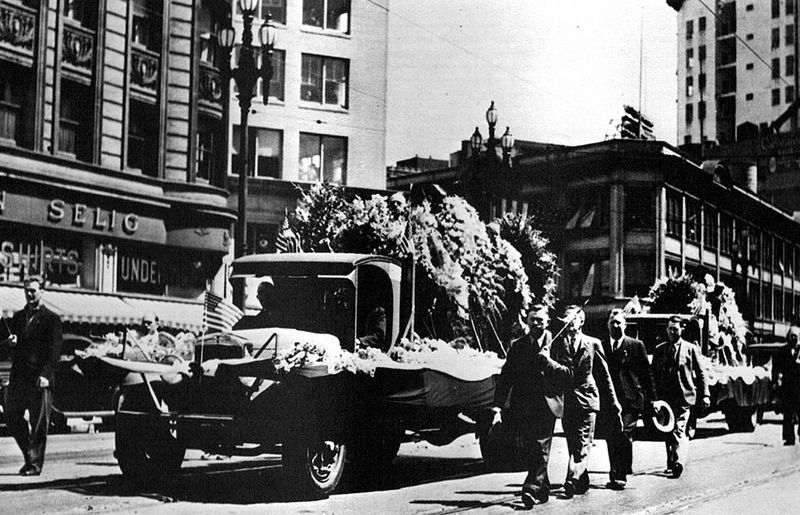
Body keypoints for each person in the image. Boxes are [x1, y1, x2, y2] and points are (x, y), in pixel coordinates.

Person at [492, 305, 564, 508]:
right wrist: (498, 405)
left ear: (547, 322)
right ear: (527, 321)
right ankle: (543, 488)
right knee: (531, 446)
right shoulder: (518, 346)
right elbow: (506, 376)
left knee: (540, 445)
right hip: (523, 405)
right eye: (532, 319)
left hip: (547, 404)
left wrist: (549, 362)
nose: (536, 324)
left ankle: (531, 488)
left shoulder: (557, 343)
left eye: (540, 320)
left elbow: (567, 372)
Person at [550, 304, 619, 498]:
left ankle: (572, 479)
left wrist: (613, 402)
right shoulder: (557, 344)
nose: (568, 323)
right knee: (573, 443)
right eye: (565, 320)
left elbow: (604, 376)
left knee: (583, 442)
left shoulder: (593, 343)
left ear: (581, 321)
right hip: (567, 401)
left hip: (588, 399)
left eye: (572, 319)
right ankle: (582, 480)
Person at [0, 275, 62, 476]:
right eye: (26, 290)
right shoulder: (18, 317)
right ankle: (30, 455)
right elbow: (10, 347)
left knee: (38, 423)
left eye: (33, 290)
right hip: (19, 377)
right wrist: (10, 343)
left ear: (42, 292)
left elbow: (55, 352)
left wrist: (46, 375)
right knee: (11, 416)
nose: (29, 294)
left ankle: (34, 464)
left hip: (39, 379)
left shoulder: (51, 319)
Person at [602, 308, 656, 490]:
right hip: (609, 400)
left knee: (625, 434)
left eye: (619, 322)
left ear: (625, 325)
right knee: (611, 436)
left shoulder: (636, 345)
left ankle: (622, 474)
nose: (616, 326)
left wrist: (652, 400)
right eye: (613, 323)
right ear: (608, 325)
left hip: (630, 401)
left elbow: (646, 375)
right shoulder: (602, 346)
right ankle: (614, 473)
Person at [652, 315, 710, 478]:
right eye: (670, 329)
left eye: (676, 329)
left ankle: (679, 462)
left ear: (682, 330)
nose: (672, 332)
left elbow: (701, 373)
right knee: (668, 430)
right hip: (665, 397)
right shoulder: (660, 350)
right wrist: (653, 397)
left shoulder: (690, 349)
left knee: (679, 429)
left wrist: (705, 394)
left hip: (684, 396)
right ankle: (671, 462)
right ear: (666, 330)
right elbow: (653, 374)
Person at [778, 322, 800, 445]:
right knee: (788, 413)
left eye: (796, 336)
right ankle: (789, 438)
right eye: (792, 336)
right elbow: (777, 367)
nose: (794, 338)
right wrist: (777, 380)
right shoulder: (783, 350)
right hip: (788, 386)